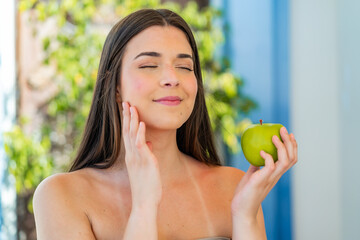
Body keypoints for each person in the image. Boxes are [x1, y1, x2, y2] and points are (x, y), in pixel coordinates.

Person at [33, 8, 297, 240]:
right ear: (114, 87)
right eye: (149, 65)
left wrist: (244, 214)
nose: (172, 78)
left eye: (184, 66)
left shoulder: (233, 188)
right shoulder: (61, 196)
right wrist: (144, 206)